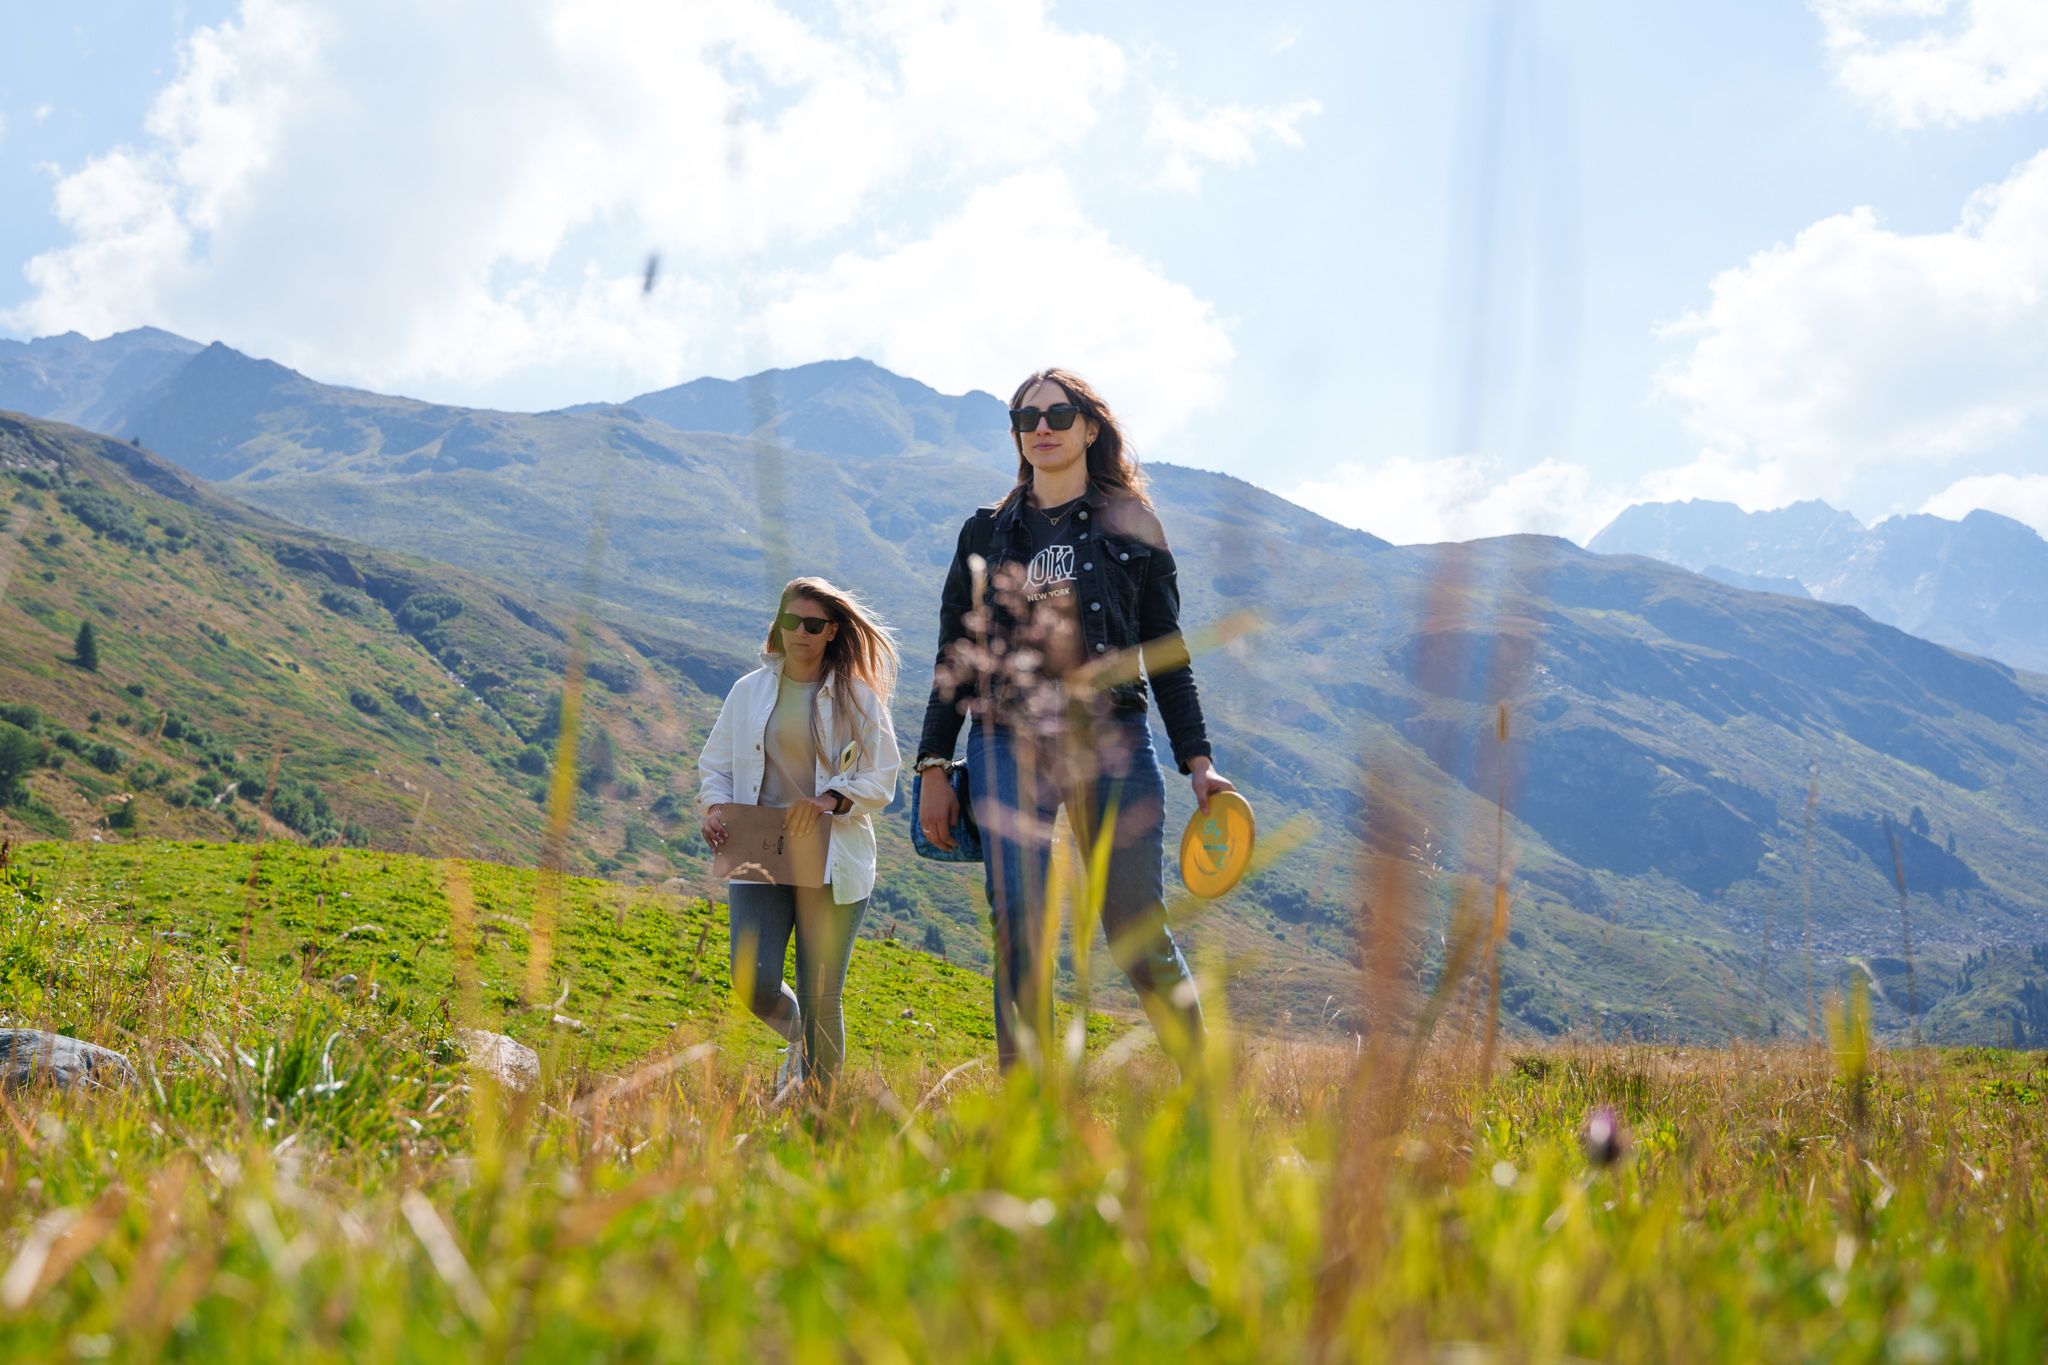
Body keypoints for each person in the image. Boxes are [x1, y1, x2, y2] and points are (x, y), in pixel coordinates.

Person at [915, 367, 1234, 1070]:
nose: (1043, 428)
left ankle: (1204, 1088)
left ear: (1091, 426)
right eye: (1027, 419)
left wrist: (1198, 759)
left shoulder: (1132, 525)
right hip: (1006, 738)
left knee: (1132, 927)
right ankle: (1027, 1106)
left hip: (1112, 737)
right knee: (1020, 925)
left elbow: (1167, 651)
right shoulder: (985, 531)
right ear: (1017, 437)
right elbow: (955, 654)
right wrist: (934, 763)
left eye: (1059, 413)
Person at [699, 577, 901, 1101]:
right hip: (760, 847)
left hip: (832, 854)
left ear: (833, 631)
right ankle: (802, 1045)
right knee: (753, 982)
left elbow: (884, 778)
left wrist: (830, 799)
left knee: (820, 993)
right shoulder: (749, 691)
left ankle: (819, 1109)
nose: (801, 633)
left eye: (814, 625)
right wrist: (713, 809)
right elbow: (715, 765)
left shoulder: (857, 697)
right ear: (779, 624)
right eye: (792, 622)